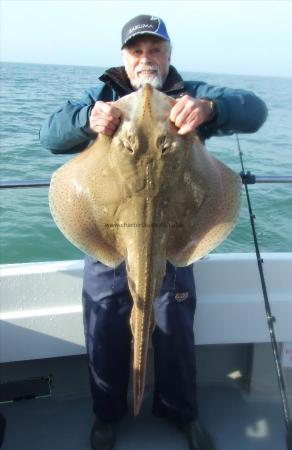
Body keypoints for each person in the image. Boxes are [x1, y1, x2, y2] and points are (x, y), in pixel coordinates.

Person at [40, 14, 267, 450]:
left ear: (168, 55)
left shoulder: (191, 95)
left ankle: (182, 413)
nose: (147, 59)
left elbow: (254, 111)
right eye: (137, 51)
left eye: (156, 50)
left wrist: (211, 109)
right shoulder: (103, 94)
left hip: (174, 237)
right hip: (110, 237)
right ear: (124, 57)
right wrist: (88, 118)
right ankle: (107, 416)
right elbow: (50, 136)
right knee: (105, 326)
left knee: (174, 329)